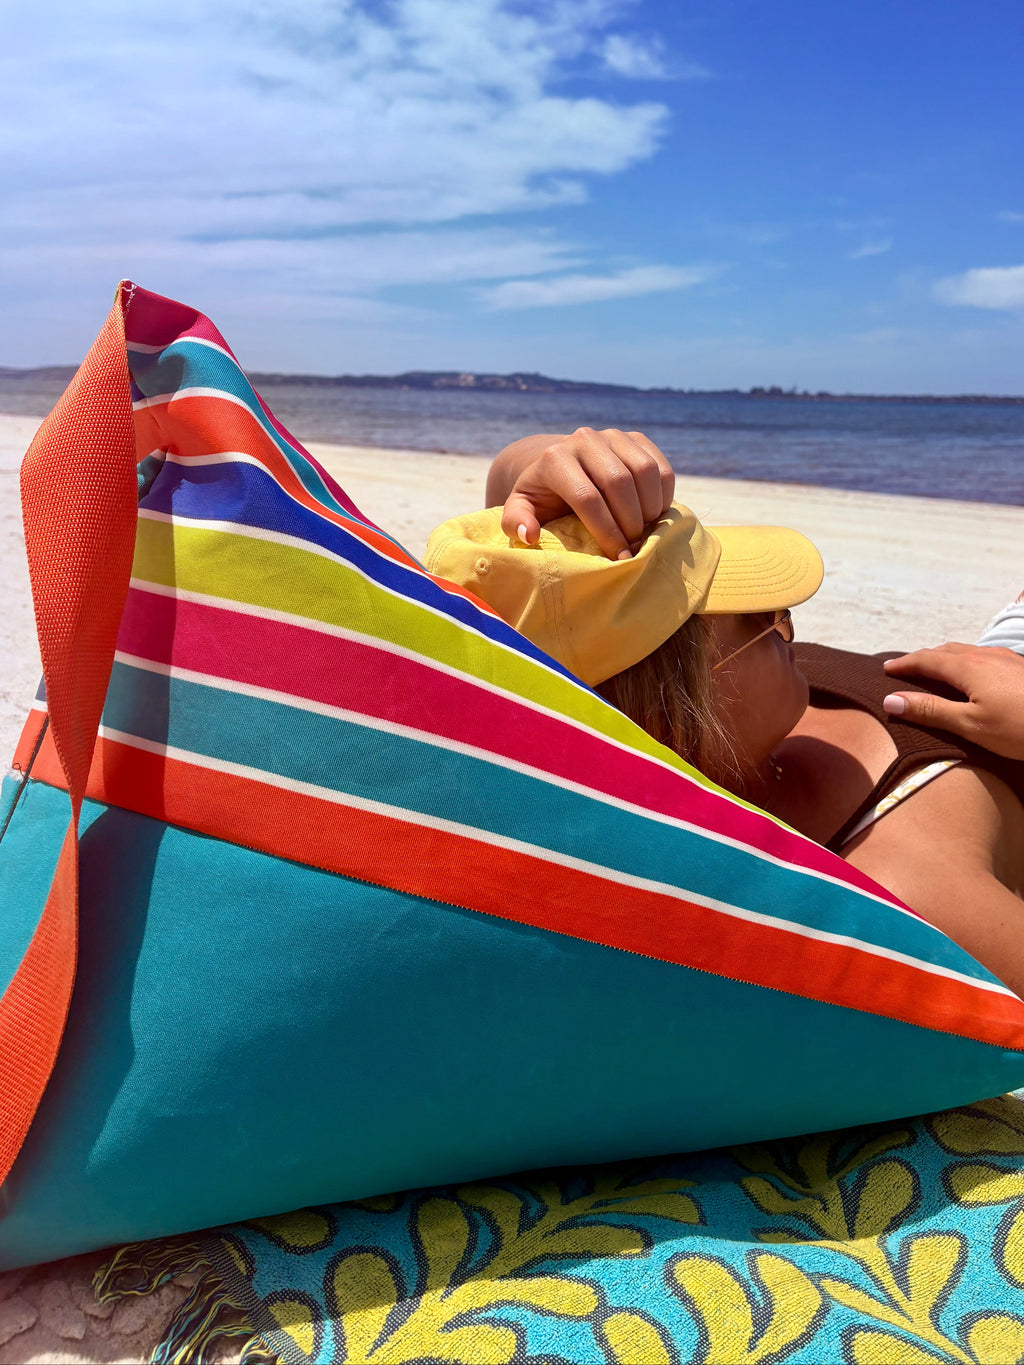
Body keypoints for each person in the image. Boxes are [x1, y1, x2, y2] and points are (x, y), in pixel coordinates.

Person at [427, 427, 1024, 997]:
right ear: (677, 703)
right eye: (762, 619)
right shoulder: (912, 884)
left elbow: (513, 526)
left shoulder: (737, 715)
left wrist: (559, 460)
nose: (783, 618)